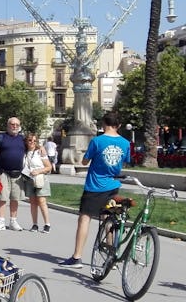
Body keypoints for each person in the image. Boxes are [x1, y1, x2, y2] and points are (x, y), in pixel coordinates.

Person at [59, 112, 130, 268]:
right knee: (108, 220)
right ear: (118, 125)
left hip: (95, 186)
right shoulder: (125, 143)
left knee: (84, 219)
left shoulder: (97, 141)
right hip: (113, 186)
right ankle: (111, 257)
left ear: (104, 124)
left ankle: (77, 257)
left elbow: (85, 161)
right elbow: (124, 162)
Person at [0, 117, 26, 231]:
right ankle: (1, 221)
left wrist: (42, 149)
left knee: (15, 198)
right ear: (8, 125)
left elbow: (33, 147)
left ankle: (13, 221)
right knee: (3, 197)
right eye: (12, 124)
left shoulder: (22, 138)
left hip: (17, 173)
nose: (14, 126)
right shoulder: (1, 137)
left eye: (17, 124)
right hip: (3, 172)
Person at [23, 133, 53, 233]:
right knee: (32, 203)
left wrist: (39, 171)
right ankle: (35, 224)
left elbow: (49, 167)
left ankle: (47, 224)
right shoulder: (25, 152)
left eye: (35, 141)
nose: (32, 142)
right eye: (30, 140)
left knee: (41, 201)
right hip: (29, 179)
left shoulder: (40, 152)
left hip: (40, 178)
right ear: (26, 141)